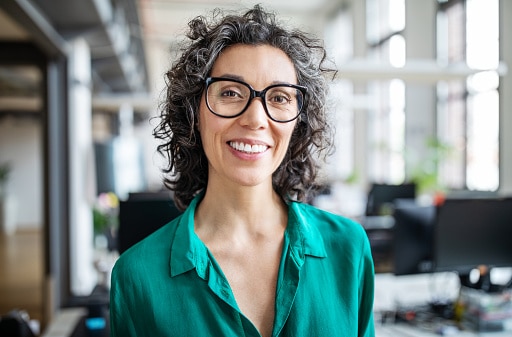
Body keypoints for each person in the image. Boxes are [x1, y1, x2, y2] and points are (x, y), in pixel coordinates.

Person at [110, 5, 375, 337]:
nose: (255, 119)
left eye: (279, 98)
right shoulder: (137, 276)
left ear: (298, 123)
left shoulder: (348, 249)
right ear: (194, 114)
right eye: (231, 93)